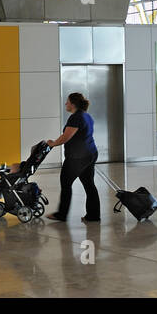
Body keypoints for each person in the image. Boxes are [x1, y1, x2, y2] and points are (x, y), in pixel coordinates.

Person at [46, 92, 101, 223]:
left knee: (66, 184)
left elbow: (66, 137)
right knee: (89, 184)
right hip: (90, 153)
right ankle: (93, 216)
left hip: (78, 156)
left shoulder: (76, 118)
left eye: (67, 101)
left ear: (73, 104)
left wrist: (52, 143)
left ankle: (61, 215)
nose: (66, 103)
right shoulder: (87, 116)